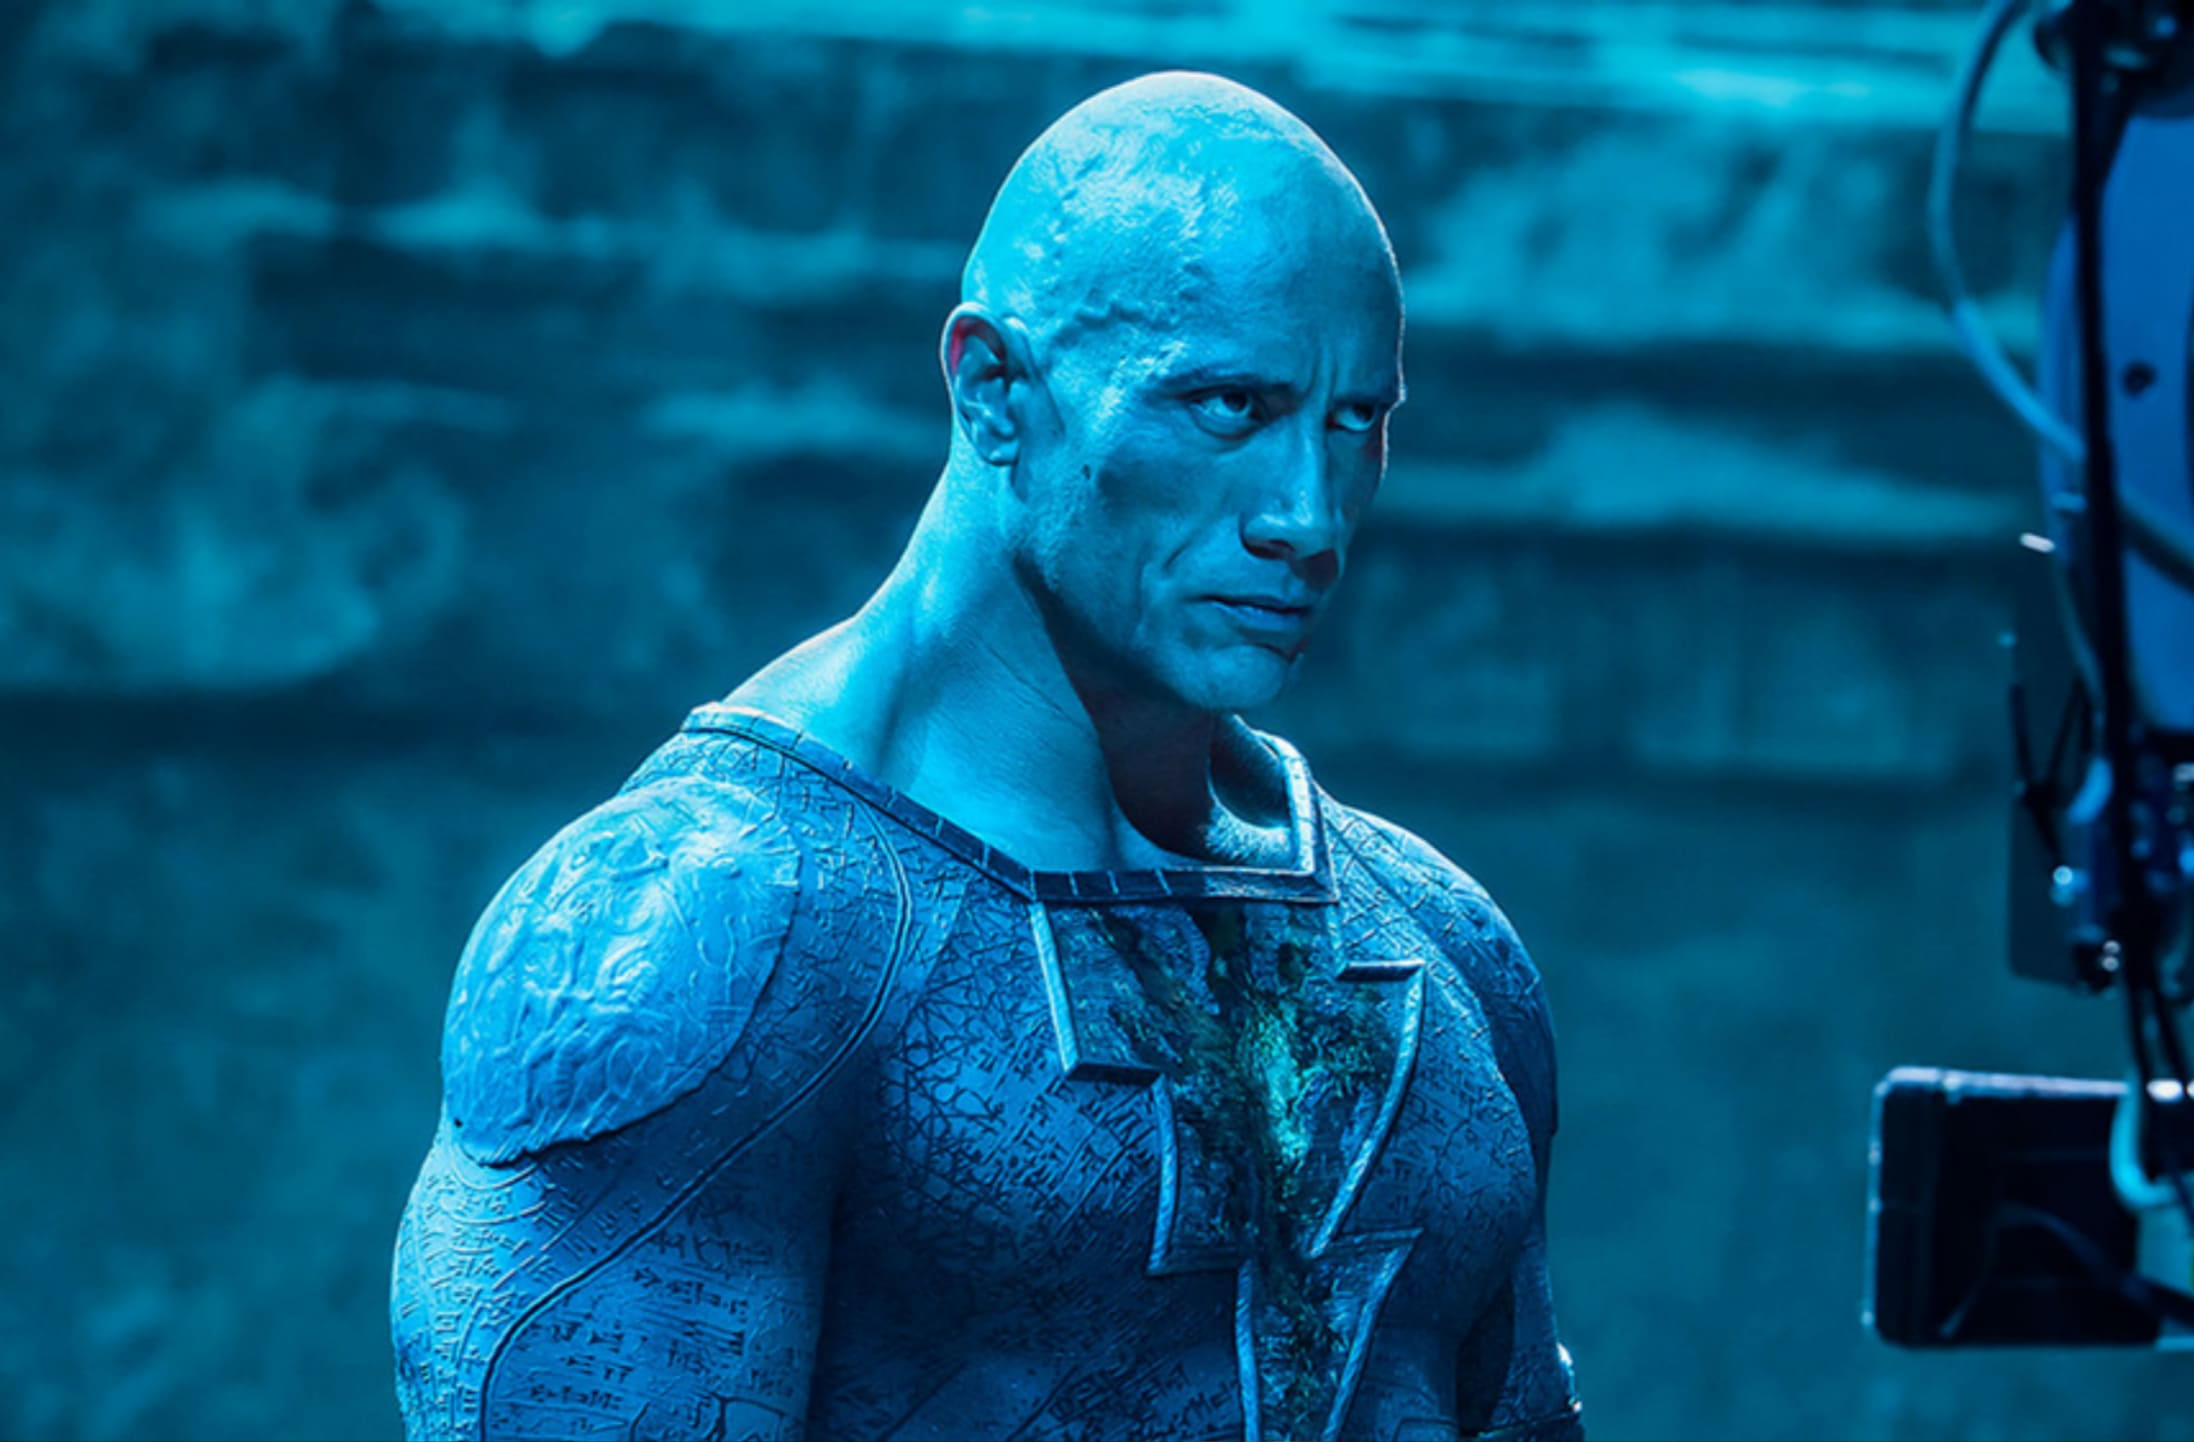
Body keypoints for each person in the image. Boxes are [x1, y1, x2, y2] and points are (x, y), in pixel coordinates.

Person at [390, 70, 1583, 1442]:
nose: (1307, 518)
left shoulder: (1439, 942)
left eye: (1354, 419)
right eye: (1229, 406)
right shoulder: (703, 929)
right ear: (996, 390)